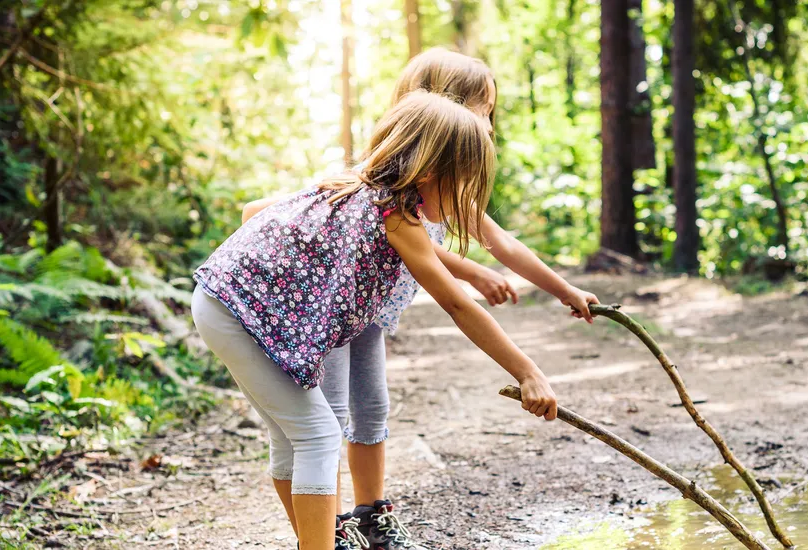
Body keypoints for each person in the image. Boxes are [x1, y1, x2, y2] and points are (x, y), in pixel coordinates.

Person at [240, 48, 600, 550]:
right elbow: (269, 212)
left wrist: (565, 290)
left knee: (372, 408)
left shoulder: (449, 184)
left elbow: (503, 244)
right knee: (331, 417)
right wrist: (472, 272)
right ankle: (331, 528)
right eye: (482, 110)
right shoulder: (386, 178)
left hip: (368, 310)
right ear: (441, 107)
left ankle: (372, 514)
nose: (488, 126)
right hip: (331, 305)